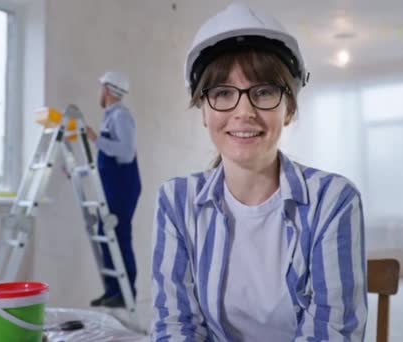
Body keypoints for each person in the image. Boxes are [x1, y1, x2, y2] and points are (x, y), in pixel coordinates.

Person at [151, 3, 367, 341]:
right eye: (222, 92)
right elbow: (175, 326)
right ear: (203, 111)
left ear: (290, 108)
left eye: (264, 92)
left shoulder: (333, 200)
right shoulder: (176, 201)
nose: (244, 111)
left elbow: (331, 333)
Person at [86, 71, 142, 308]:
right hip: (112, 186)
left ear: (108, 90)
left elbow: (126, 152)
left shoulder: (120, 116)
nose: (100, 93)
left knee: (119, 236)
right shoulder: (110, 116)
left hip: (123, 187)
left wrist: (96, 139)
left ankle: (126, 292)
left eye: (101, 88)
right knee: (107, 234)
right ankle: (112, 290)